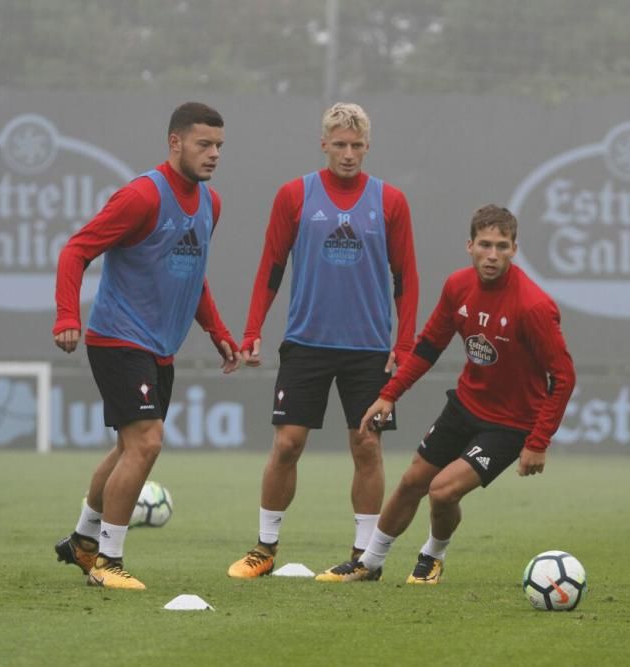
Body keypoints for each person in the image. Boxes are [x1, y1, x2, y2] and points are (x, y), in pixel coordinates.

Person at [315, 204, 575, 584]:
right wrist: (389, 395)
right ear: (469, 246)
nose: (492, 255)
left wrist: (538, 441)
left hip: (509, 424)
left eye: (502, 246)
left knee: (442, 492)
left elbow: (564, 377)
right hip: (466, 405)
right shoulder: (458, 287)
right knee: (411, 482)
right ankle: (368, 563)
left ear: (514, 250)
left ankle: (431, 555)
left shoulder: (533, 306)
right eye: (485, 245)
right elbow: (427, 347)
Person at [52, 102, 240, 590]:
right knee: (148, 442)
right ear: (175, 142)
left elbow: (193, 275)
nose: (214, 153)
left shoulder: (211, 204)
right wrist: (67, 315)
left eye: (219, 145)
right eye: (204, 144)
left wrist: (217, 331)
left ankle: (82, 541)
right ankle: (108, 563)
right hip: (118, 337)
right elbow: (76, 250)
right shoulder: (141, 196)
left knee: (127, 448)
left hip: (160, 348)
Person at [227, 102, 418, 578]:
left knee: (366, 445)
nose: (348, 154)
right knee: (288, 444)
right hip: (306, 343)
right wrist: (252, 330)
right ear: (324, 144)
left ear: (367, 146)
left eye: (356, 146)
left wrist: (406, 344)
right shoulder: (295, 195)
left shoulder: (390, 201)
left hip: (369, 348)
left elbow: (407, 279)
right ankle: (264, 549)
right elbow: (270, 268)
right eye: (339, 145)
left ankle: (363, 559)